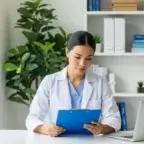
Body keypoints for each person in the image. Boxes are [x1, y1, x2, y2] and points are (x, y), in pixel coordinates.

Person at [26, 31, 121, 137]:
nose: (82, 64)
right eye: (77, 57)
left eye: (88, 58)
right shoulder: (50, 81)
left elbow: (114, 118)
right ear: (67, 52)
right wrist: (44, 129)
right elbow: (32, 118)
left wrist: (102, 128)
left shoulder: (100, 82)